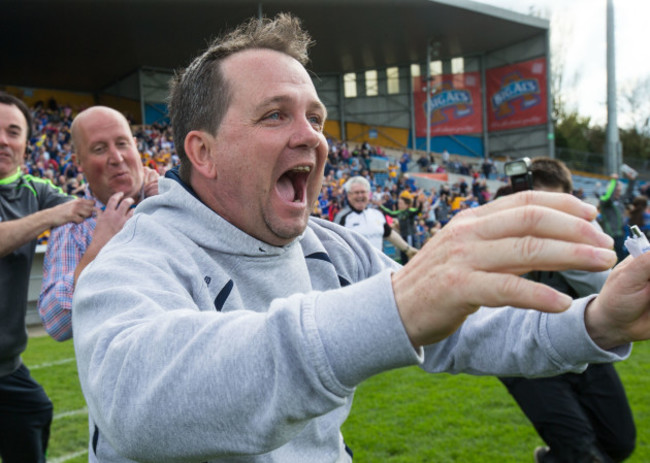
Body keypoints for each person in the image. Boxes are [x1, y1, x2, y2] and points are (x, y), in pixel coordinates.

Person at [72, 14, 650, 463]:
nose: (313, 138)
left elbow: (469, 330)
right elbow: (136, 399)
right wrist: (397, 304)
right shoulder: (136, 258)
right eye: (276, 115)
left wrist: (597, 320)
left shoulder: (332, 248)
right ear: (203, 151)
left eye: (316, 118)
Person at [497, 158, 636, 463]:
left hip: (580, 344)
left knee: (620, 442)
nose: (543, 211)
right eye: (537, 201)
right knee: (581, 452)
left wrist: (558, 247)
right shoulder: (498, 220)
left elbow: (602, 286)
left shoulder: (581, 224)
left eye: (554, 203)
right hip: (521, 350)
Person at [0, 92, 94, 463]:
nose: (3, 140)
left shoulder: (35, 191)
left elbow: (88, 209)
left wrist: (138, 185)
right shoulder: (42, 205)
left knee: (34, 413)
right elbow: (60, 214)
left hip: (7, 367)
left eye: (13, 131)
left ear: (26, 143)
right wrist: (48, 218)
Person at [38, 106, 159, 341]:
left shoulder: (174, 195)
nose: (117, 158)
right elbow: (56, 325)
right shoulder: (73, 227)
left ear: (136, 146)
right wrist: (98, 250)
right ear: (79, 162)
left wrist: (169, 202)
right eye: (99, 149)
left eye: (123, 143)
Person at [334, 176, 416, 258]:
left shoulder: (377, 214)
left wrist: (408, 250)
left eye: (363, 192)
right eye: (356, 192)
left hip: (380, 268)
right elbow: (335, 245)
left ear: (369, 194)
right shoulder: (342, 217)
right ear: (349, 195)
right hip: (355, 269)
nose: (360, 196)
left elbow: (389, 234)